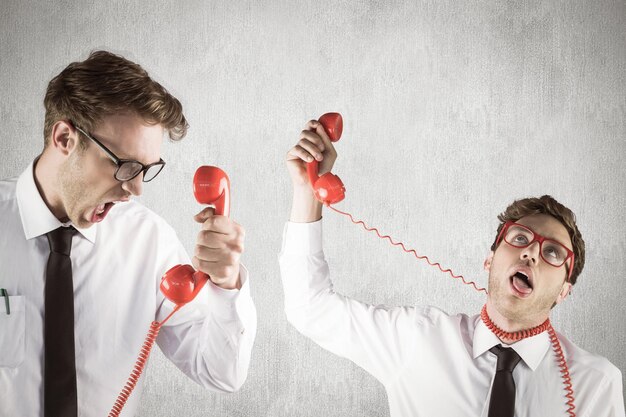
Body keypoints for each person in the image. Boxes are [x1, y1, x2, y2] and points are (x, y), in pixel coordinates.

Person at [280, 119, 625, 416]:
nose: (531, 253)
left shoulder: (596, 383)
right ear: (489, 260)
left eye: (552, 253)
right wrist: (306, 191)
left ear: (565, 290)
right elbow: (308, 307)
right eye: (520, 238)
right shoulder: (417, 338)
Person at [0, 51, 257, 416]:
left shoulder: (149, 241)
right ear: (64, 138)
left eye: (146, 169)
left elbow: (222, 373)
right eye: (124, 165)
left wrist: (226, 285)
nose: (135, 190)